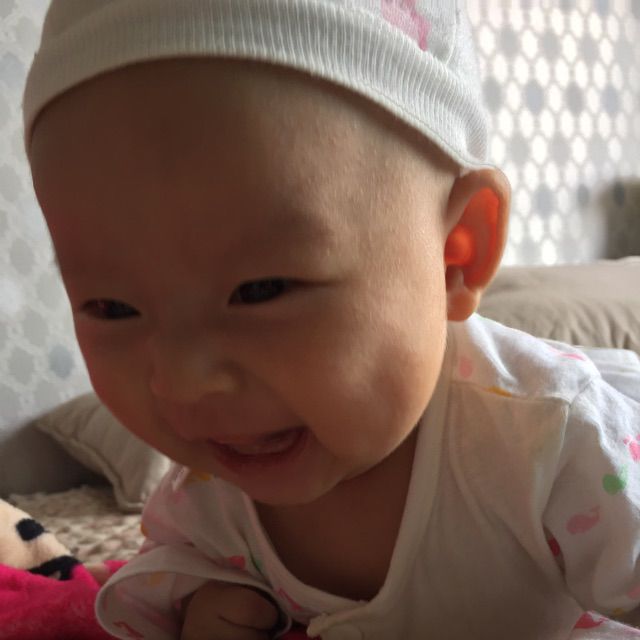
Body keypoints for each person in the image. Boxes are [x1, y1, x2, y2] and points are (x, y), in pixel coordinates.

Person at [21, 1, 640, 639]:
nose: (182, 381)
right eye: (112, 308)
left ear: (455, 254)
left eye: (260, 291)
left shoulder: (551, 441)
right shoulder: (207, 493)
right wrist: (206, 600)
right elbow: (179, 564)